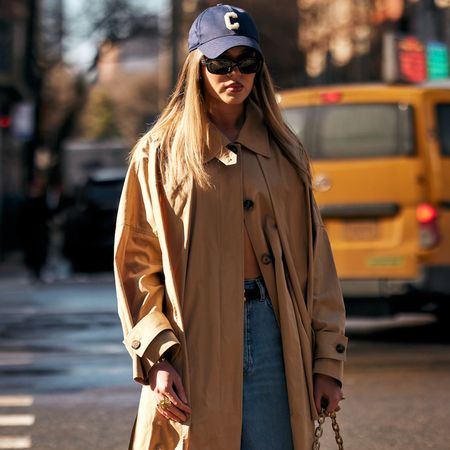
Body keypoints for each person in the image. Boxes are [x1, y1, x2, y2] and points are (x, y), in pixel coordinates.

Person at [114, 4, 348, 450]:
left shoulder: (285, 152)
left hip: (276, 336)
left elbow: (318, 266)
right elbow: (136, 266)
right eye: (220, 62)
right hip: (191, 340)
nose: (233, 73)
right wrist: (157, 356)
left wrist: (327, 363)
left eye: (246, 61)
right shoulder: (157, 155)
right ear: (197, 67)